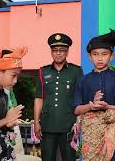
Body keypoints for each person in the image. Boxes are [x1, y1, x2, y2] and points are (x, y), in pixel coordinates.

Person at [74, 29, 115, 160]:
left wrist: (109, 107)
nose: (100, 58)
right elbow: (76, 110)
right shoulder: (83, 81)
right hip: (90, 135)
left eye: (104, 54)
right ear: (90, 57)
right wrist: (91, 106)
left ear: (111, 56)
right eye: (95, 54)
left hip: (111, 133)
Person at [33, 33, 83, 161]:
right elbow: (39, 98)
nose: (58, 53)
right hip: (47, 125)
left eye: (62, 50)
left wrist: (78, 122)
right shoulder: (43, 71)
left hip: (68, 125)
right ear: (51, 52)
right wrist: (36, 122)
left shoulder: (76, 71)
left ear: (67, 52)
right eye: (55, 50)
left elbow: (79, 99)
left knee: (69, 158)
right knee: (47, 158)